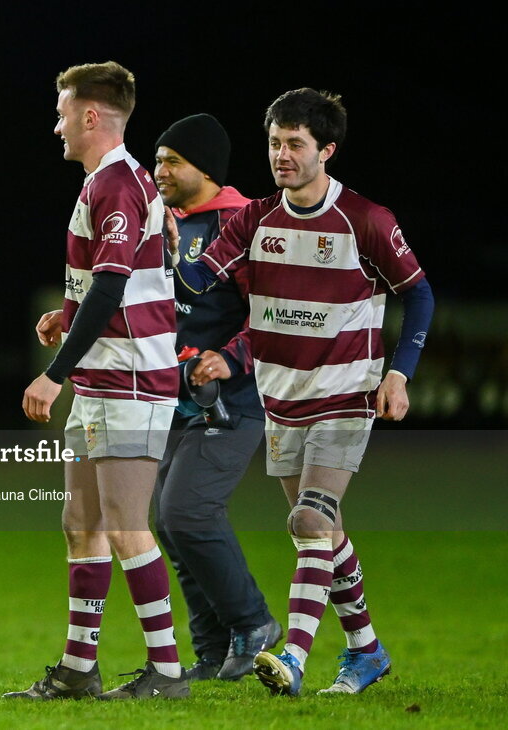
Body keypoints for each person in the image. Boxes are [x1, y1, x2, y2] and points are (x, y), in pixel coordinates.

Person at [172, 88, 434, 696]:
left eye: (295, 144)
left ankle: (291, 655)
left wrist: (400, 371)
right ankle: (366, 649)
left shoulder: (366, 219)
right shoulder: (254, 218)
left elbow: (418, 293)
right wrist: (160, 239)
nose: (281, 155)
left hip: (347, 391)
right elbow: (194, 280)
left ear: (327, 150)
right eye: (274, 143)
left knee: (311, 517)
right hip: (281, 398)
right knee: (320, 530)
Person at [4, 61, 187, 702]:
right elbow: (115, 282)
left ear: (89, 116)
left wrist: (53, 375)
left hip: (129, 378)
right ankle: (81, 667)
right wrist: (69, 315)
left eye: (60, 113)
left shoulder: (115, 184)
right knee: (80, 518)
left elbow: (113, 285)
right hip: (104, 380)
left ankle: (166, 672)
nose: (55, 126)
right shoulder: (114, 183)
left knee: (125, 522)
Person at [150, 113, 281, 682]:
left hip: (236, 400)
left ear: (206, 167)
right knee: (167, 519)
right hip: (172, 397)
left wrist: (231, 358)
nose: (159, 171)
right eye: (157, 159)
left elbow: (274, 314)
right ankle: (210, 651)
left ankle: (253, 623)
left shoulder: (242, 223)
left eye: (173, 160)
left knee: (187, 512)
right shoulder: (161, 222)